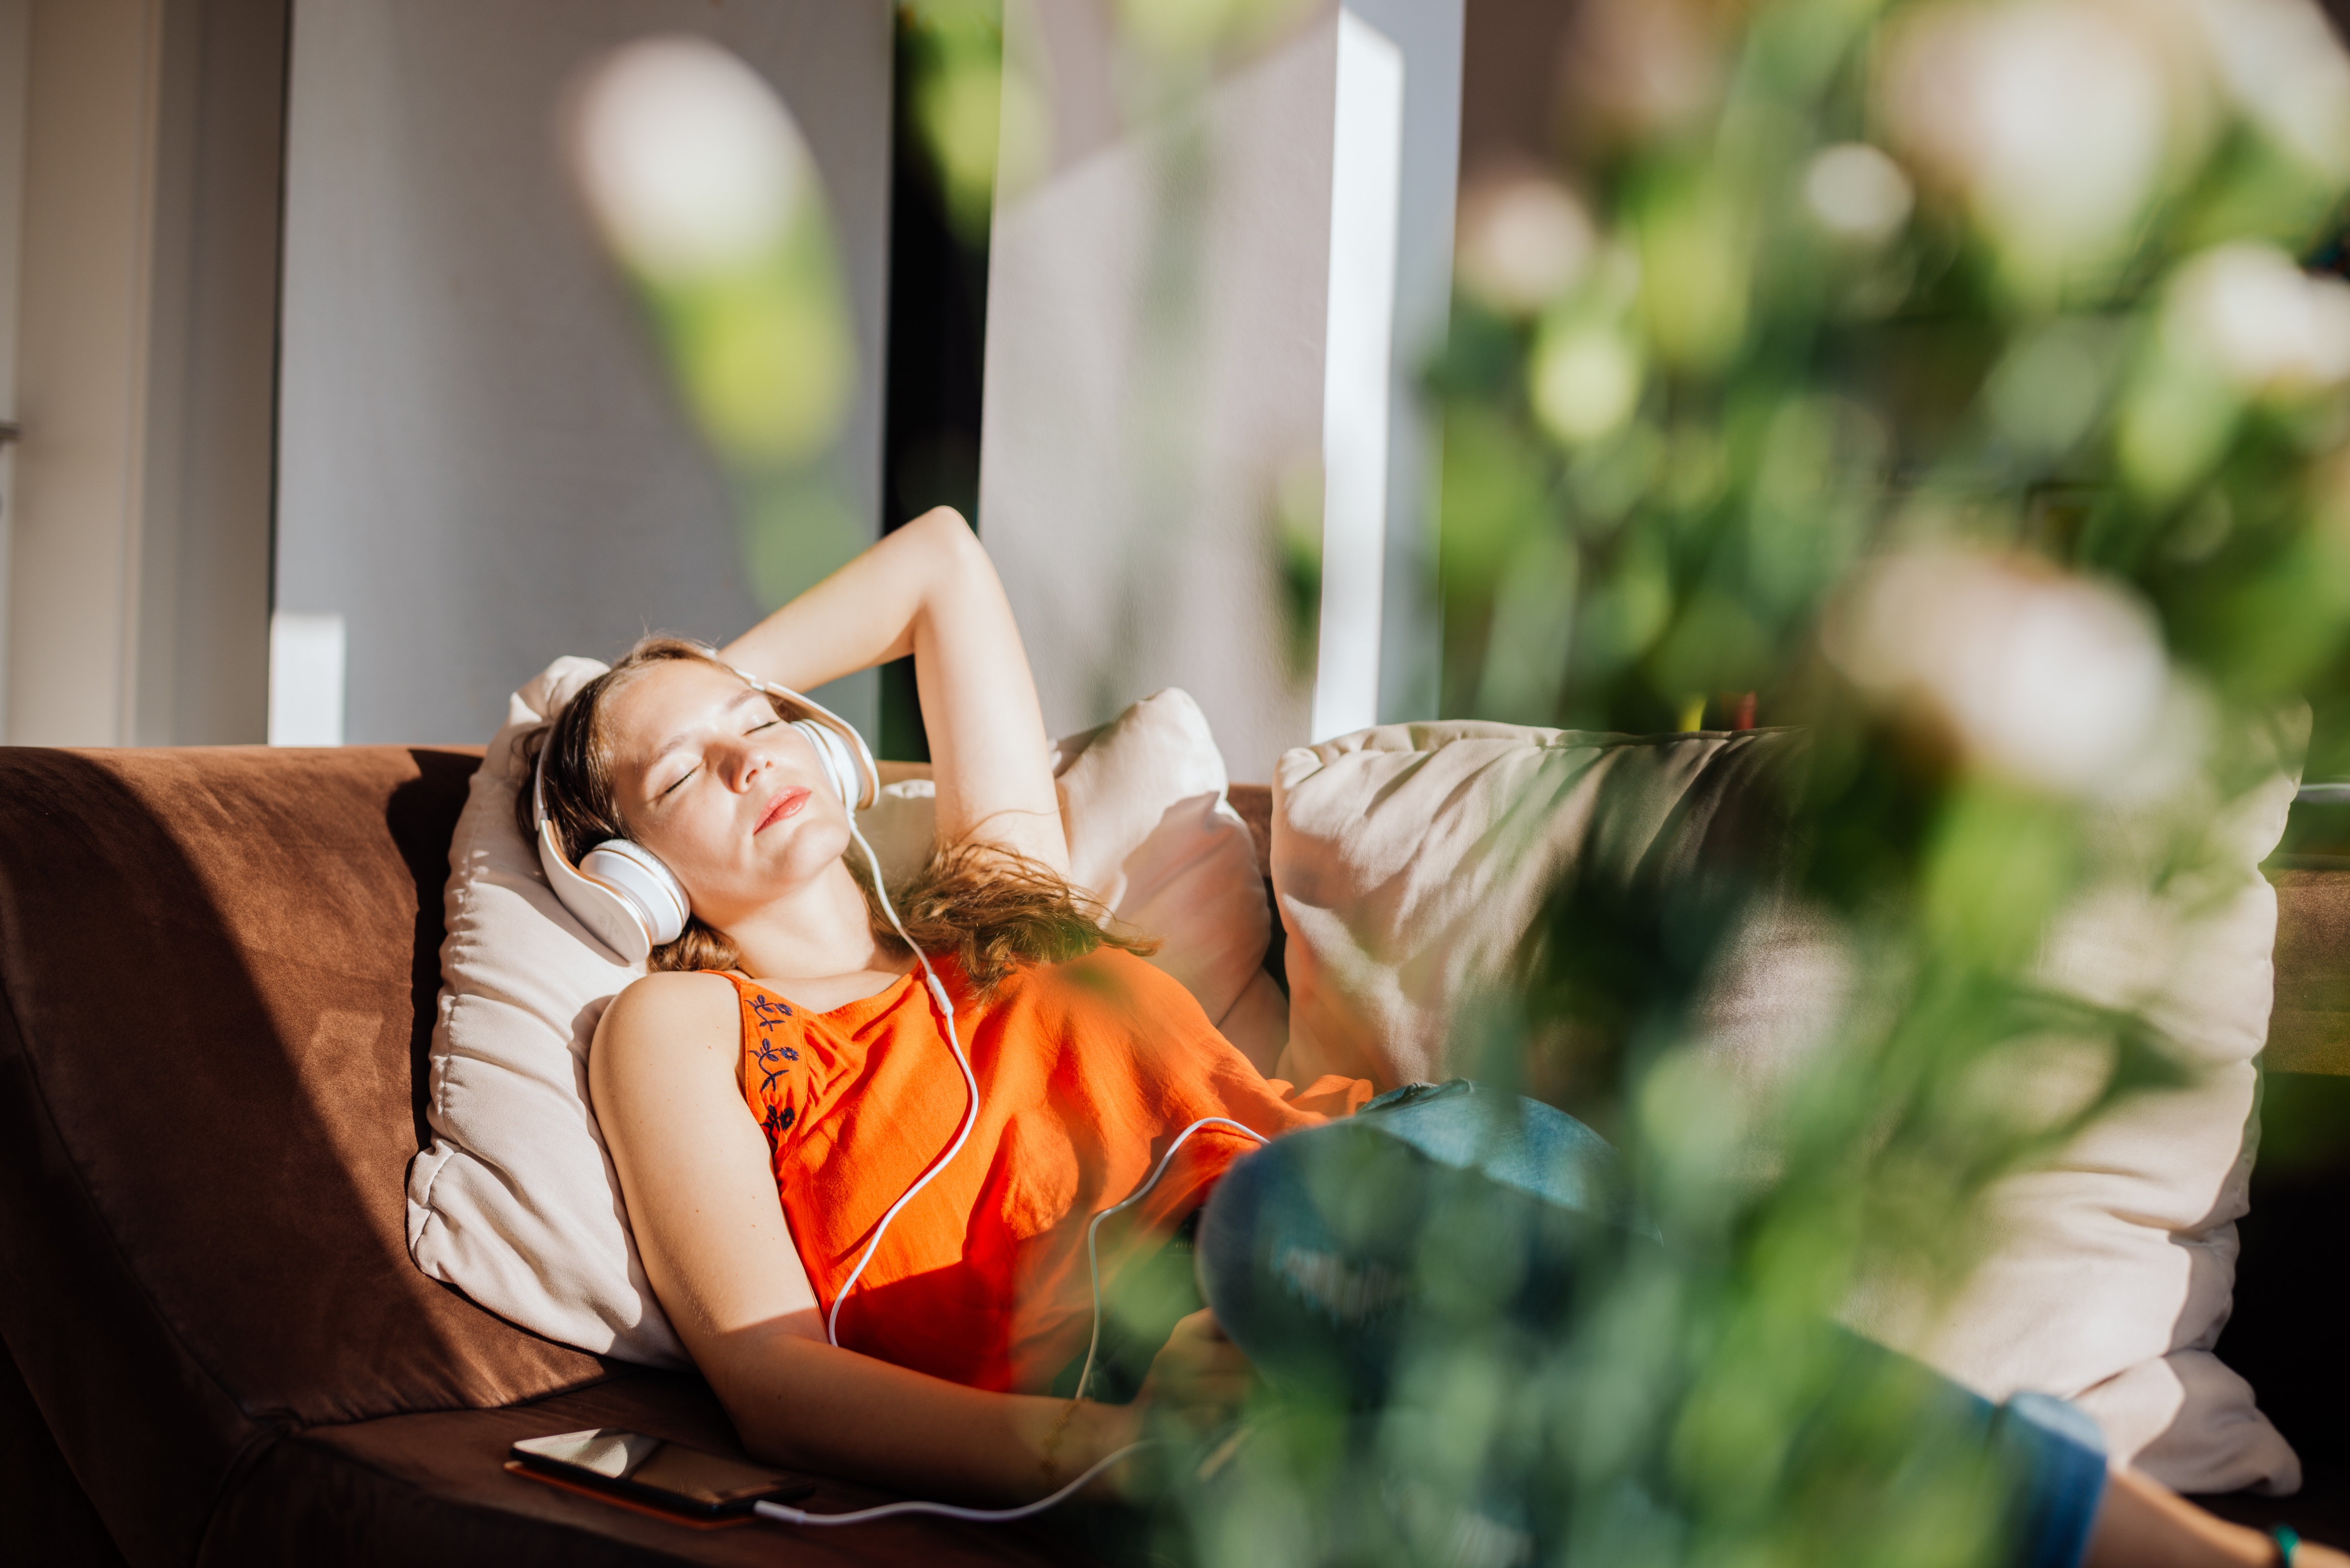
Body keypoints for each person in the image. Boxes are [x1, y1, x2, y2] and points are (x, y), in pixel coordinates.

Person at [523, 507, 2334, 1568]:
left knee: (1292, 1223)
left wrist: (689, 684)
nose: (753, 755)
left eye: (765, 721)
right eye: (681, 772)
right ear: (620, 869)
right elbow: (772, 1380)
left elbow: (940, 562)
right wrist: (1117, 1455)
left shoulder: (1000, 904)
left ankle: (2162, 1560)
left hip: (1397, 1191)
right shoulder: (675, 1025)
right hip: (1225, 1383)